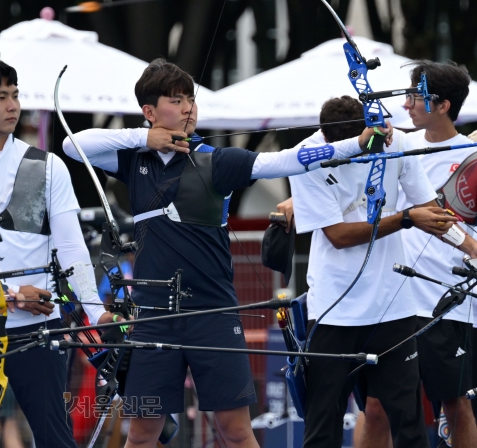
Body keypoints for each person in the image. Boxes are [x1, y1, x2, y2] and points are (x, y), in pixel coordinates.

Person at [62, 58, 390, 448]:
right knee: (142, 434)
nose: (188, 108)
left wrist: (356, 142)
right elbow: (72, 144)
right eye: (176, 100)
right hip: (152, 317)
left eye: (190, 99)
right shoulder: (134, 160)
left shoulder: (218, 162)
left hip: (213, 313)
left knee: (235, 431)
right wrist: (144, 138)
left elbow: (282, 161)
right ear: (150, 112)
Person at [286, 95, 477, 447]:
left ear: (368, 129)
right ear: (328, 139)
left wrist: (471, 248)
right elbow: (339, 236)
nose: (356, 153)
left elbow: (429, 211)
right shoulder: (306, 156)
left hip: (394, 308)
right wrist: (405, 219)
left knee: (409, 423)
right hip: (333, 311)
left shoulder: (395, 141)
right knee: (322, 426)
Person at [0, 57, 116, 447]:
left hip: (39, 329)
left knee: (55, 437)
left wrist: (95, 311)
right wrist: (8, 296)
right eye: (0, 96)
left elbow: (72, 246)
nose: (13, 105)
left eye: (16, 95)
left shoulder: (47, 166)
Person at [396, 60, 477, 448]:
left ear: (443, 105)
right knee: (377, 407)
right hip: (391, 301)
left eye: (416, 96)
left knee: (455, 406)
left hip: (449, 302)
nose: (407, 104)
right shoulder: (396, 146)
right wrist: (295, 200)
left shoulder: (471, 153)